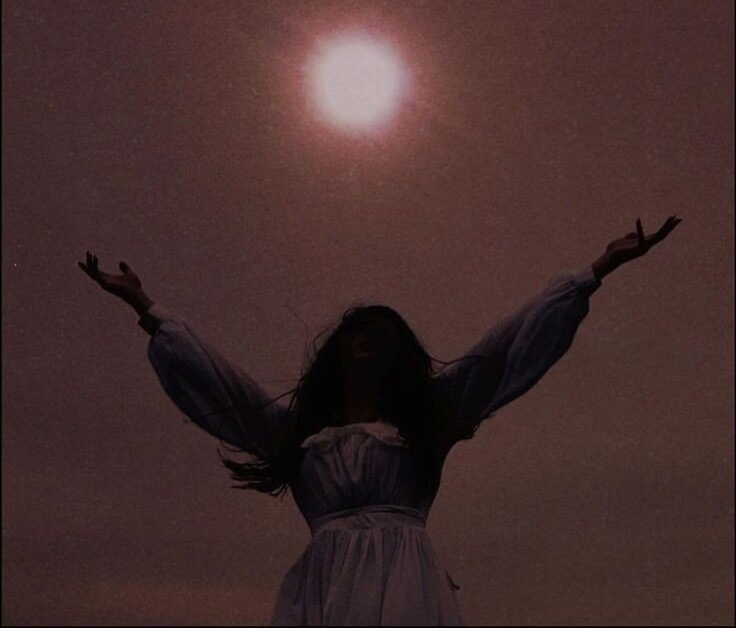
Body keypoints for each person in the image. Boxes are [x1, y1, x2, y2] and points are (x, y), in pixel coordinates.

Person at [78, 216, 682, 626]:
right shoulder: (296, 433)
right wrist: (144, 306)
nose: (363, 340)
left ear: (397, 352)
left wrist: (596, 270)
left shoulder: (431, 419)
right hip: (323, 584)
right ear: (338, 351)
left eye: (377, 334)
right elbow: (220, 383)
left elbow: (504, 347)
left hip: (406, 580)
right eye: (354, 333)